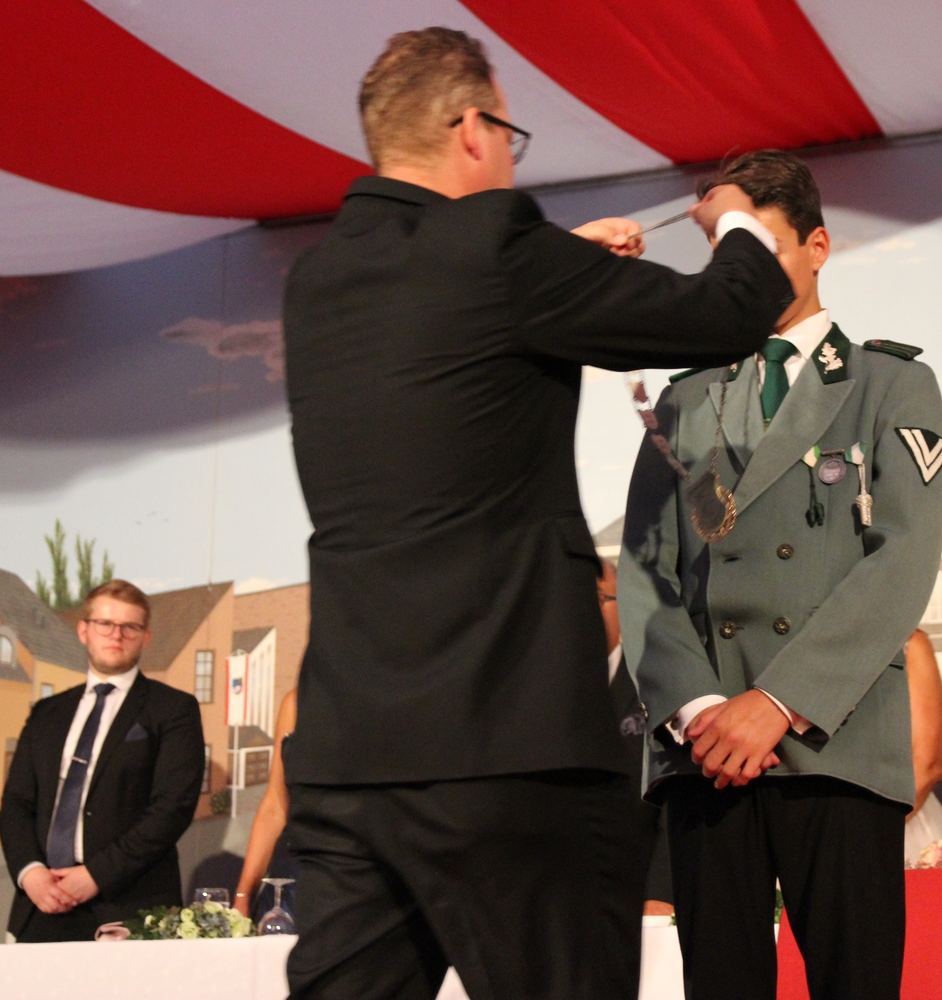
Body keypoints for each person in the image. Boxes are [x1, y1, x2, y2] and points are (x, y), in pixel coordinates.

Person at [282, 27, 792, 1000]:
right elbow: (726, 313)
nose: (512, 158)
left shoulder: (319, 281)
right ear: (473, 129)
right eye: (511, 136)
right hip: (506, 743)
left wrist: (562, 262)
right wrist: (739, 222)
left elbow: (452, 332)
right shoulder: (499, 251)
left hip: (352, 752)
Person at [620, 150, 942, 1000]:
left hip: (833, 742)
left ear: (817, 246)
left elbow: (902, 561)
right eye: (725, 245)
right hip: (708, 753)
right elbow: (647, 571)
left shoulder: (889, 384)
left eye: (760, 242)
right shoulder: (685, 399)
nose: (741, 264)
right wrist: (701, 710)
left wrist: (775, 703)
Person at [0, 580, 205, 942]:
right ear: (84, 631)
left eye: (130, 627)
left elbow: (172, 808)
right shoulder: (47, 712)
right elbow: (16, 805)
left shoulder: (173, 709)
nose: (117, 635)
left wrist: (96, 875)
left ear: (145, 637)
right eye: (105, 624)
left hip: (130, 906)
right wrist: (31, 874)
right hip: (42, 905)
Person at [600, 560, 675, 916]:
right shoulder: (531, 693)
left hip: (640, 898)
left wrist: (660, 892)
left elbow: (673, 798)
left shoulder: (653, 685)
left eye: (598, 597)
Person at [234, 689, 298, 919]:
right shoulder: (297, 702)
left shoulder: (391, 695)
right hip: (294, 877)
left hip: (363, 877)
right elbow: (275, 807)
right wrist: (243, 897)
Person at [902, 629, 942, 863]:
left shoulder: (908, 643)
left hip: (899, 827)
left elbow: (928, 766)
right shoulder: (792, 643)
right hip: (805, 828)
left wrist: (863, 834)